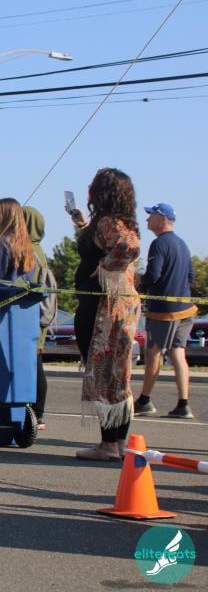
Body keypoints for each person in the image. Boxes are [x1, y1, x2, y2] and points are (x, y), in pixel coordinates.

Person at [69, 168, 141, 461]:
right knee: (117, 375)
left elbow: (127, 246)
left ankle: (108, 444)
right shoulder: (119, 221)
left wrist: (106, 266)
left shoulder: (110, 222)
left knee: (102, 372)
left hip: (104, 308)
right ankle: (118, 442)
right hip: (118, 306)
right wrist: (83, 226)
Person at [135, 203, 196, 419]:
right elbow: (191, 276)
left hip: (164, 311)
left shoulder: (159, 243)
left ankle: (144, 400)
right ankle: (183, 404)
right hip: (185, 307)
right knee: (178, 352)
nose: (147, 219)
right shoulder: (182, 244)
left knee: (153, 352)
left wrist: (138, 280)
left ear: (163, 219)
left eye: (151, 216)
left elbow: (153, 275)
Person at [23, 206, 51, 428]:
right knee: (34, 363)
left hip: (31, 317)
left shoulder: (30, 251)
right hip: (35, 316)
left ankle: (37, 412)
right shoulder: (37, 249)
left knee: (34, 365)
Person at [0, 198, 34, 281]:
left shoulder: (2, 244)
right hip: (20, 289)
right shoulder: (26, 244)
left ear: (9, 215)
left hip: (1, 289)